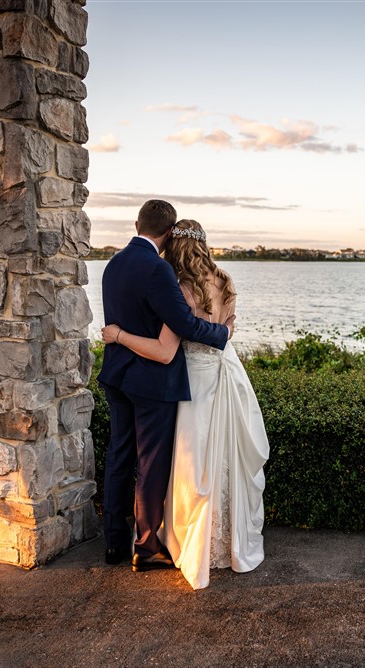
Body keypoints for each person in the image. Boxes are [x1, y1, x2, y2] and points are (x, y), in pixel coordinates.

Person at [101, 219, 268, 589]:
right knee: (224, 458)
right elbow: (226, 328)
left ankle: (174, 541)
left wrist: (117, 335)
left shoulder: (179, 286)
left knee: (191, 465)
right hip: (226, 375)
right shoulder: (225, 281)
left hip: (192, 378)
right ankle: (227, 540)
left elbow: (166, 350)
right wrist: (223, 333)